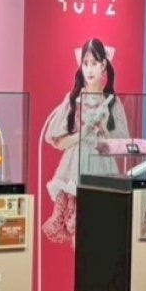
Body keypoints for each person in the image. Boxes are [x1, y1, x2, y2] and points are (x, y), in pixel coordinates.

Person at [42, 39, 126, 245]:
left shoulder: (112, 103)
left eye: (94, 63)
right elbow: (58, 142)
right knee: (79, 235)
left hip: (103, 169)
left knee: (101, 235)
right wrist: (83, 133)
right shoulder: (73, 100)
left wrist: (104, 124)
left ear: (104, 65)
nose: (89, 69)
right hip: (75, 170)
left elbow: (122, 145)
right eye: (85, 63)